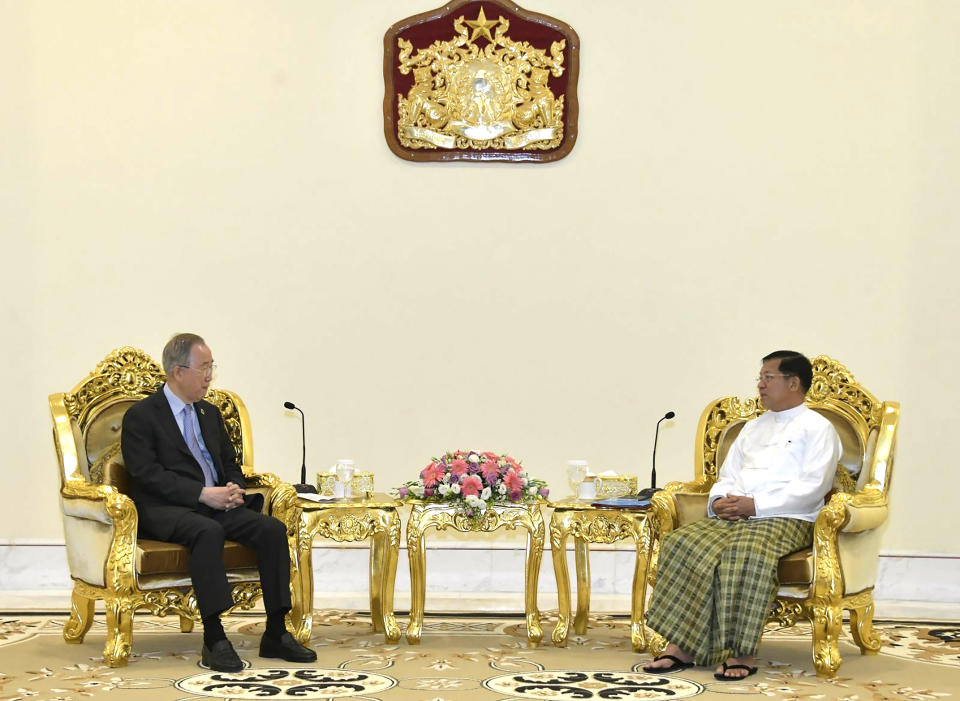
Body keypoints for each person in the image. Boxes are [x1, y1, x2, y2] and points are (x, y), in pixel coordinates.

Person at [121, 333, 317, 672]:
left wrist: (233, 488)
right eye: (204, 368)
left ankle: (275, 631)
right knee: (206, 531)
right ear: (178, 371)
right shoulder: (142, 416)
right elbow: (146, 475)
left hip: (217, 504)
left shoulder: (209, 413)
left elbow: (230, 463)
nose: (210, 376)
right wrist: (200, 493)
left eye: (213, 367)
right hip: (169, 509)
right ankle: (214, 638)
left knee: (271, 529)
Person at [643, 350, 841, 681]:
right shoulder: (751, 427)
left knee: (745, 553)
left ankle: (741, 652)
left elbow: (812, 487)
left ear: (793, 383)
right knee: (682, 543)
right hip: (736, 515)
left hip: (788, 518)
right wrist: (719, 500)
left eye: (768, 378)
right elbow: (728, 474)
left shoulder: (818, 429)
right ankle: (681, 645)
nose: (760, 385)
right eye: (760, 378)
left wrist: (757, 505)